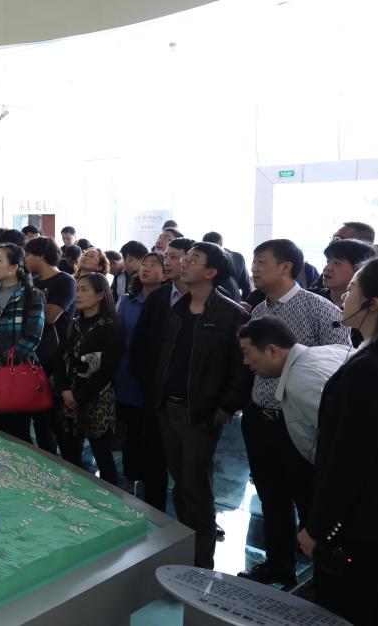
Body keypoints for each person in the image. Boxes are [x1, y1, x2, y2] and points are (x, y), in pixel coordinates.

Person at [238, 239, 351, 587]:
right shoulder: (258, 310)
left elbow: (341, 363)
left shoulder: (319, 309)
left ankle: (322, 577)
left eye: (262, 262)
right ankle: (279, 565)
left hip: (299, 420)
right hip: (260, 417)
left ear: (286, 267)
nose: (254, 269)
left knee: (308, 500)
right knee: (270, 498)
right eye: (253, 262)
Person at [153, 242, 252, 569]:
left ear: (211, 272)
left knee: (197, 488)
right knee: (180, 483)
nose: (184, 262)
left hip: (201, 412)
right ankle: (185, 551)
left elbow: (242, 368)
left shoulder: (230, 314)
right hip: (168, 407)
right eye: (186, 257)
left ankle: (200, 564)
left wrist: (227, 406)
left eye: (193, 259)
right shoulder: (178, 309)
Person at [298, 256, 378, 625]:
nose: (344, 297)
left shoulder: (368, 370)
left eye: (352, 290)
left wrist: (317, 527)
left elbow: (348, 460)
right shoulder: (370, 355)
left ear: (373, 304)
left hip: (361, 526)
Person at [127, 237, 194, 511]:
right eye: (167, 256)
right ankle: (155, 515)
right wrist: (150, 384)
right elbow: (140, 346)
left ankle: (194, 520)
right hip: (155, 395)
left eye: (175, 257)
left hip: (192, 399)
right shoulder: (157, 298)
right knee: (154, 457)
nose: (168, 262)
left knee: (192, 467)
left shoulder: (211, 299)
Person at [238, 316, 349, 465]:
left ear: (272, 351)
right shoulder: (331, 350)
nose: (245, 361)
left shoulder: (299, 382)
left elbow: (346, 435)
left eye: (246, 353)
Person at [0, 244, 46, 442]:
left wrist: (0, 363)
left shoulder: (32, 296)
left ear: (13, 267)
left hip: (16, 377)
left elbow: (32, 338)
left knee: (17, 438)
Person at [55, 273, 122, 484]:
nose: (78, 295)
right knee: (69, 452)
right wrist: (64, 390)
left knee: (102, 455)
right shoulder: (73, 324)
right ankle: (72, 492)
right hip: (69, 395)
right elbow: (60, 358)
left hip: (96, 398)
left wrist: (77, 395)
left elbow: (107, 370)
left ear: (100, 295)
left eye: (84, 290)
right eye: (78, 290)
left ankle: (109, 496)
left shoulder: (110, 327)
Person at [114, 251, 165, 498]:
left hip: (155, 374)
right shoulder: (128, 301)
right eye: (145, 263)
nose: (146, 268)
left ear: (165, 274)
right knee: (131, 429)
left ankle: (151, 480)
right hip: (127, 372)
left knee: (152, 432)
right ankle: (130, 477)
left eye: (154, 264)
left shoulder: (169, 302)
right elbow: (118, 336)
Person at [24, 237, 76, 453]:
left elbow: (50, 316)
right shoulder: (31, 282)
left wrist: (24, 311)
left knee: (56, 420)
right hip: (33, 356)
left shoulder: (65, 281)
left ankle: (68, 465)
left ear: (41, 256)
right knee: (39, 418)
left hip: (56, 357)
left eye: (28, 255)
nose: (25, 259)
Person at [314, 238, 376, 309]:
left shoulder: (369, 306)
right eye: (328, 261)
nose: (327, 268)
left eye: (337, 263)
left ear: (358, 269)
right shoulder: (311, 298)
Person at [202, 231, 252, 301]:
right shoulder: (237, 257)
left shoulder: (204, 259)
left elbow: (246, 287)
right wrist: (243, 303)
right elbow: (246, 287)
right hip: (235, 301)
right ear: (221, 243)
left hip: (212, 301)